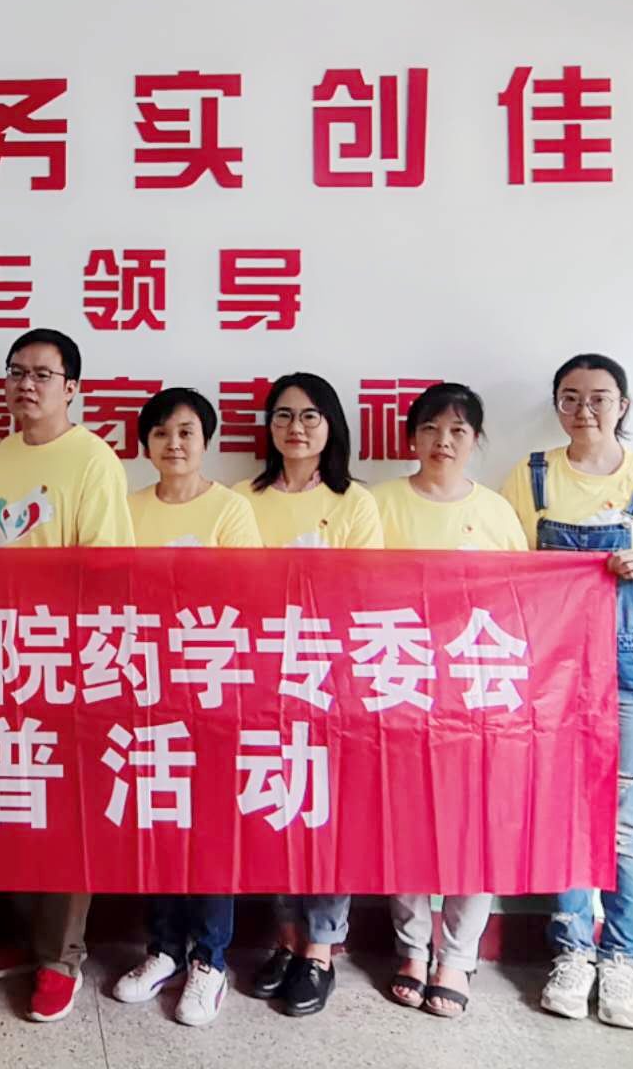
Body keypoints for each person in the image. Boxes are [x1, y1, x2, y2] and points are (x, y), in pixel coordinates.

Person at [502, 354, 633, 1031]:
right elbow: (504, 566)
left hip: (631, 666)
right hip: (551, 665)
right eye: (570, 397)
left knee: (625, 819)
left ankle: (622, 959)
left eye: (598, 397)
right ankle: (573, 952)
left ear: (622, 404)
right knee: (565, 811)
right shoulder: (531, 475)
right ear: (556, 406)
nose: (584, 410)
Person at [0, 328, 134, 1024]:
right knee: (13, 794)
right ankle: (25, 934)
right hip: (1, 653)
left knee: (67, 813)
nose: (26, 385)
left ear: (72, 388)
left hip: (64, 657)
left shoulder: (92, 457)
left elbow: (106, 568)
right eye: (16, 372)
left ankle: (61, 957)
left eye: (42, 374)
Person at [369, 382, 528, 1020]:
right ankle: (412, 948)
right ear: (411, 437)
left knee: (473, 826)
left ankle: (458, 956)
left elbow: (522, 602)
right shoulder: (378, 503)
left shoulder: (496, 512)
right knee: (407, 820)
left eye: (458, 430)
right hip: (399, 683)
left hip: (476, 690)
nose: (443, 441)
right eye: (431, 428)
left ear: (476, 441)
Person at [232, 372, 382, 1017]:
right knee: (276, 805)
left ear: (331, 427)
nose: (296, 428)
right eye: (284, 416)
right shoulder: (242, 498)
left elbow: (362, 594)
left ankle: (320, 949)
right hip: (258, 677)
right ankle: (286, 940)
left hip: (327, 680)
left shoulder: (354, 502)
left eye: (310, 416)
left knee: (325, 816)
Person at [112, 387, 258, 1027]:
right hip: (145, 686)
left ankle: (210, 960)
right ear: (145, 445)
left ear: (207, 441)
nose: (174, 444)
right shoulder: (127, 507)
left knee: (211, 827)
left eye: (187, 432)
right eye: (162, 433)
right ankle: (164, 949)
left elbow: (242, 597)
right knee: (160, 820)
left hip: (211, 687)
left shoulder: (231, 509)